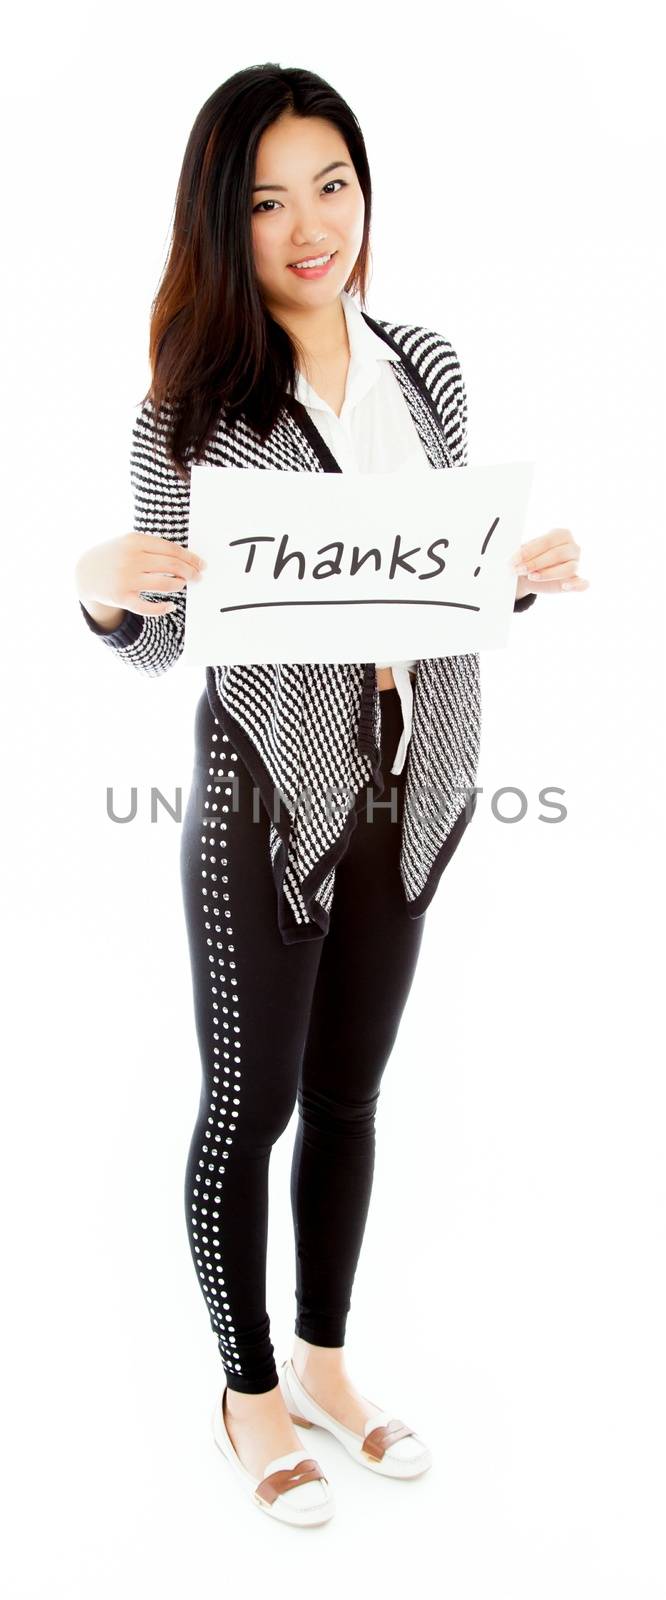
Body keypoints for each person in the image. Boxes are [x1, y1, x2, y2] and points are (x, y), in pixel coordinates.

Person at [74, 64, 588, 1527]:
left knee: (350, 1094)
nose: (310, 225)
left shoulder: (425, 363)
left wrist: (512, 582)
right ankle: (245, 1402)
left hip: (410, 775)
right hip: (266, 786)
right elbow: (169, 643)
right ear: (219, 222)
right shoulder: (190, 409)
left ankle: (325, 1365)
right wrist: (101, 595)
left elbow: (429, 587)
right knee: (249, 1103)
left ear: (365, 192)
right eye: (266, 199)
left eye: (332, 185)